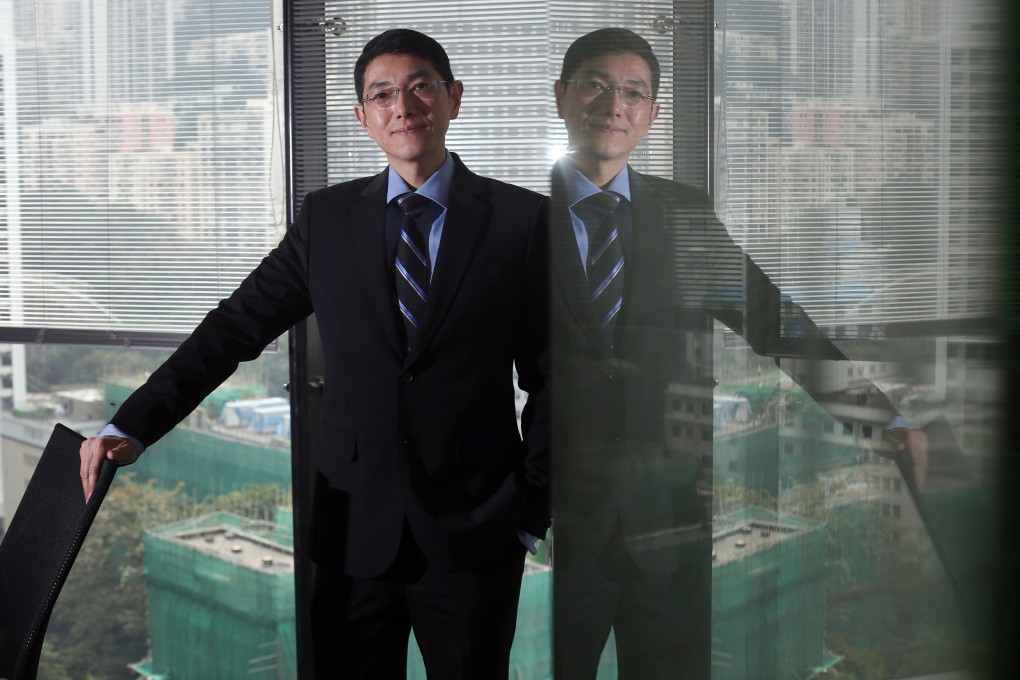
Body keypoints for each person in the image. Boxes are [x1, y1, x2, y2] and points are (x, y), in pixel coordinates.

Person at [78, 28, 550, 678]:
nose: (402, 106)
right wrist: (130, 423)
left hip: (474, 534)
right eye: (381, 94)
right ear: (363, 118)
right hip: (354, 526)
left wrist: (528, 511)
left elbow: (557, 379)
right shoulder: (327, 220)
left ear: (453, 98)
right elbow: (234, 328)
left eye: (419, 87)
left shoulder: (523, 223)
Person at [548, 28, 929, 679]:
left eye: (633, 92)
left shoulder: (682, 218)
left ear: (651, 115)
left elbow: (772, 320)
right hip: (555, 525)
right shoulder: (514, 221)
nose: (614, 104)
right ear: (561, 97)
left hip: (668, 519)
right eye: (596, 84)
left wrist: (880, 419)